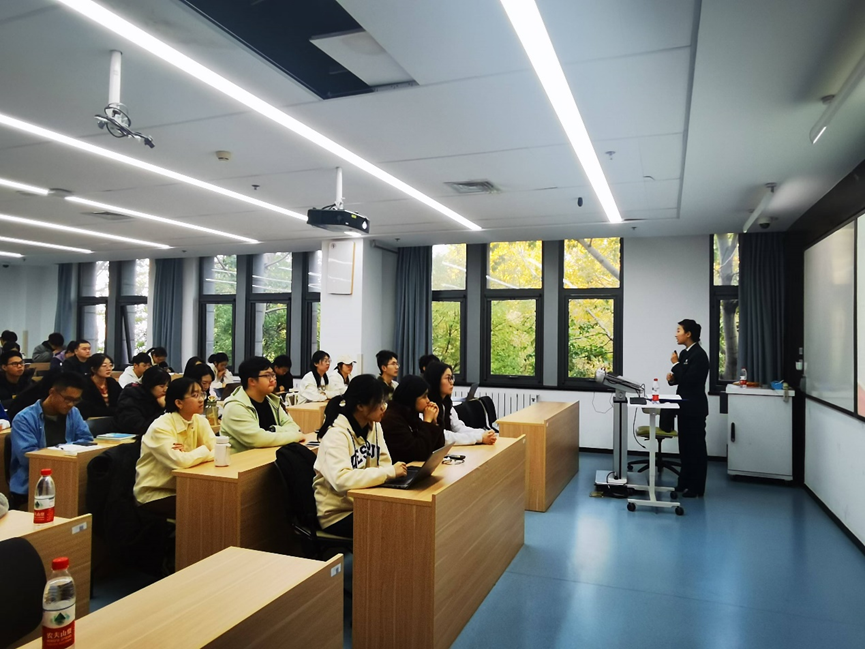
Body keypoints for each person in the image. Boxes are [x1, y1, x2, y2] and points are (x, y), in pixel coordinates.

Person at [313, 375, 407, 537]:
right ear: (361, 406)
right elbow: (342, 480)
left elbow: (385, 463)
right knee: (397, 526)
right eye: (379, 403)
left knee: (407, 515)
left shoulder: (375, 426)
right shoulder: (336, 435)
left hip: (366, 502)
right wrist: (389, 473)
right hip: (338, 514)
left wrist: (387, 473)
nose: (383, 408)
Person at [133, 378, 216, 518]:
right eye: (195, 395)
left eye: (202, 394)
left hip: (184, 488)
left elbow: (219, 451)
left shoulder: (200, 420)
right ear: (179, 403)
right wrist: (204, 449)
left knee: (218, 501)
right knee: (205, 509)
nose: (201, 399)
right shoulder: (161, 427)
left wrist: (190, 454)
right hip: (156, 493)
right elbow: (180, 462)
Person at [8, 372, 92, 509]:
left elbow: (86, 440)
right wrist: (65, 451)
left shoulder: (73, 413)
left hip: (67, 474)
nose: (71, 404)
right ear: (52, 392)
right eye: (67, 399)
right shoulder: (24, 419)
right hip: (34, 482)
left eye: (76, 400)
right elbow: (28, 458)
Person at [220, 356, 303, 453]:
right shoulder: (235, 407)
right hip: (243, 461)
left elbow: (294, 428)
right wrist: (295, 436)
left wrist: (274, 430)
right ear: (252, 381)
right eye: (267, 375)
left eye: (273, 375)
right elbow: (258, 439)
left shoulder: (272, 401)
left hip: (270, 455)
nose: (273, 379)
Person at [666, 319, 710, 498]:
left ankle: (697, 487)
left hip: (695, 408)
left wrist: (675, 364)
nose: (676, 334)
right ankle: (683, 482)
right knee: (684, 448)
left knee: (696, 448)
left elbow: (691, 381)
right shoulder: (684, 353)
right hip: (683, 406)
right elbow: (681, 379)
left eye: (679, 330)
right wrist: (672, 379)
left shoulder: (699, 355)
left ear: (688, 334)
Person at [424, 361, 496, 447]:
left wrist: (483, 433)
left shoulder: (446, 403)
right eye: (448, 378)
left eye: (452, 378)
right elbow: (444, 437)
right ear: (436, 380)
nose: (452, 382)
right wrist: (479, 438)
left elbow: (458, 427)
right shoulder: (427, 406)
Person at [380, 375, 446, 464]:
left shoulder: (411, 415)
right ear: (411, 398)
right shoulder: (392, 420)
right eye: (424, 397)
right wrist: (427, 423)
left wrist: (434, 423)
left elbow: (438, 448)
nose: (428, 401)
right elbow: (418, 453)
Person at [115, 367, 170, 438]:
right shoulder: (132, 397)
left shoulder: (158, 399)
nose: (165, 390)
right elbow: (139, 428)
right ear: (150, 385)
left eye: (167, 386)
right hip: (130, 438)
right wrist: (163, 410)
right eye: (162, 386)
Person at [78, 353, 122, 420]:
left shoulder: (112, 382)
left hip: (113, 418)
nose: (108, 368)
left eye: (110, 365)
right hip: (92, 419)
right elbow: (88, 409)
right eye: (104, 366)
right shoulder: (84, 383)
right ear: (93, 369)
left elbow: (122, 400)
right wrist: (114, 411)